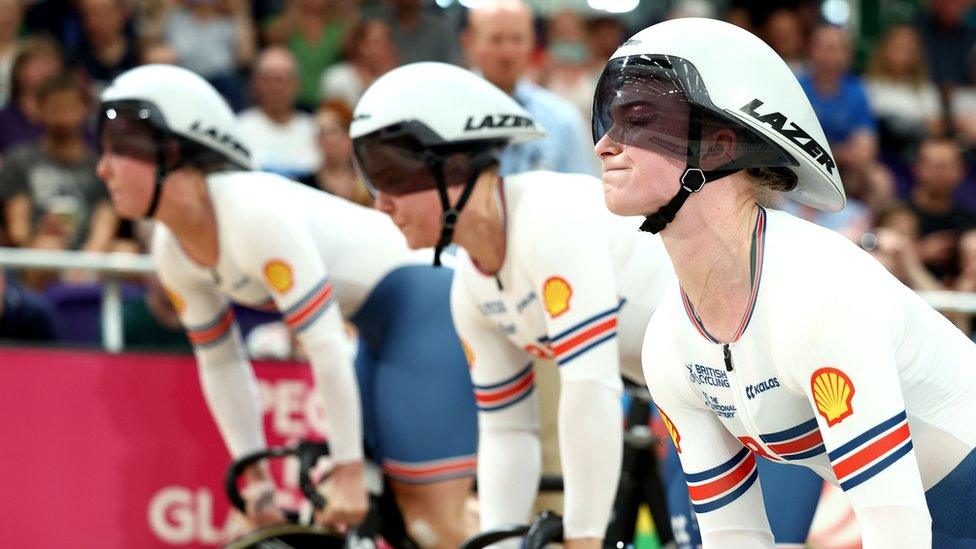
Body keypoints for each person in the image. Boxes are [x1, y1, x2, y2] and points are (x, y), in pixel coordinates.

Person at [593, 17, 976, 548]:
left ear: (720, 147)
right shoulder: (667, 343)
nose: (604, 146)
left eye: (637, 120)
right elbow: (733, 537)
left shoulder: (816, 291)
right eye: (607, 122)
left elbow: (898, 533)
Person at [96, 64, 479, 547]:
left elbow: (325, 347)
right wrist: (254, 481)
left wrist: (347, 469)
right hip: (378, 324)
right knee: (369, 517)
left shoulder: (252, 213)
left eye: (118, 149)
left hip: (427, 298)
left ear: (173, 152)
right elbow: (221, 362)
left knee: (433, 522)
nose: (102, 168)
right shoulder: (171, 251)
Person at [350, 60, 674, 549]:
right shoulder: (471, 289)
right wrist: (495, 542)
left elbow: (591, 387)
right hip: (679, 391)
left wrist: (584, 538)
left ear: (456, 171)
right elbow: (508, 432)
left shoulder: (549, 218)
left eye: (391, 177)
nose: (380, 204)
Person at [462, 0, 597, 176]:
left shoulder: (562, 119)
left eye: (517, 39)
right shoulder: (445, 114)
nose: (507, 52)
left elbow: (583, 193)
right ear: (469, 42)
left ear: (532, 41)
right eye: (496, 40)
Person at [237, 47, 320, 180]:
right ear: (256, 83)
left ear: (297, 84)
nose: (276, 87)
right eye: (269, 79)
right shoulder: (239, 128)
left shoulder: (314, 129)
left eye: (283, 79)